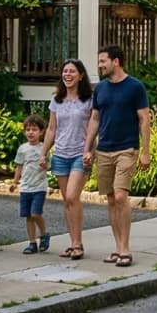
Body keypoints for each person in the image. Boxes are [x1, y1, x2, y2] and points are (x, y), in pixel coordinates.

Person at [89, 45, 151, 268]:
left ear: (116, 61)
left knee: (121, 196)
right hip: (104, 149)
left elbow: (144, 119)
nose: (100, 65)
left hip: (127, 148)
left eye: (103, 61)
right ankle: (117, 248)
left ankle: (126, 249)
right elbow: (95, 119)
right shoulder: (100, 89)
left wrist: (145, 151)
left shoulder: (135, 87)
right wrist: (88, 148)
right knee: (111, 199)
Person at [45, 59, 94, 260]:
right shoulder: (57, 100)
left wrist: (89, 150)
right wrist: (43, 152)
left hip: (80, 154)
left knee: (73, 196)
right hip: (60, 154)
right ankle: (73, 242)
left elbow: (94, 126)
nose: (67, 75)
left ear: (81, 75)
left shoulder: (89, 99)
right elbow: (51, 129)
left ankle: (78, 243)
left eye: (72, 71)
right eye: (65, 71)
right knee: (67, 201)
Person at [13, 115, 50, 254]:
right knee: (28, 216)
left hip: (39, 186)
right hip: (25, 187)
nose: (30, 132)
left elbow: (47, 165)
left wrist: (44, 163)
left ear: (41, 132)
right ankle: (32, 242)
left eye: (34, 129)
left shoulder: (43, 148)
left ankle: (44, 234)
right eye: (28, 129)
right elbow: (19, 166)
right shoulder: (22, 148)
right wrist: (15, 181)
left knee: (35, 213)